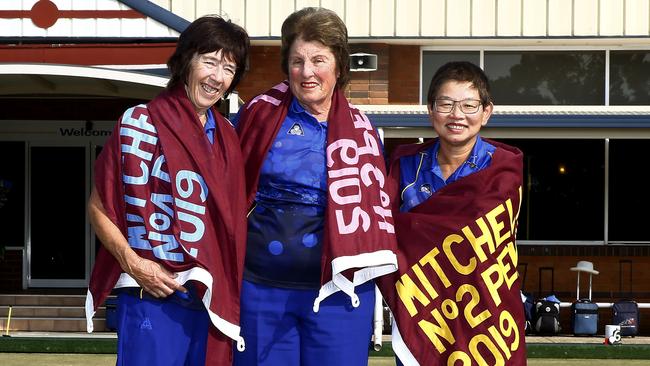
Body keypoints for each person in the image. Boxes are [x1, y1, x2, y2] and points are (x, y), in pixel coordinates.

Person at [233, 7, 397, 366]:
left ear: (339, 65)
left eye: (318, 60)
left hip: (340, 294)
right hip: (261, 291)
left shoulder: (364, 130)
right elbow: (225, 188)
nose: (307, 73)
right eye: (297, 61)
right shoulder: (258, 114)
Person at [84, 15, 249, 366]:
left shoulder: (228, 137)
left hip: (209, 298)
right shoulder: (139, 121)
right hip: (151, 292)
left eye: (229, 68)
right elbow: (99, 208)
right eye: (209, 61)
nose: (217, 77)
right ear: (185, 61)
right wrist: (135, 263)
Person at [378, 61, 527, 365]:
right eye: (446, 104)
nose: (457, 115)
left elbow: (498, 249)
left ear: (486, 112)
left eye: (469, 105)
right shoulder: (404, 165)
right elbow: (384, 232)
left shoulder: (502, 170)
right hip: (422, 310)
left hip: (484, 311)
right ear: (430, 109)